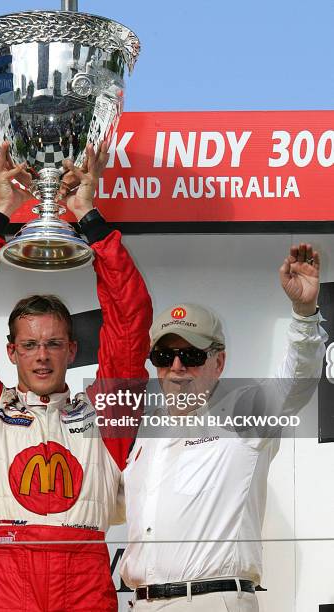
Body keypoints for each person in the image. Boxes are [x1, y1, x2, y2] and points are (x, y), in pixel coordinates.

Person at [0, 139, 152, 612]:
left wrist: (90, 219)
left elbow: (130, 324)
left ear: (73, 350)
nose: (42, 357)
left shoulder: (104, 415)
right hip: (6, 578)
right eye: (30, 345)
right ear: (10, 351)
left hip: (85, 581)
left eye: (54, 343)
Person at [119, 243, 327, 611]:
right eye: (165, 356)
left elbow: (295, 381)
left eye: (193, 355)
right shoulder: (143, 437)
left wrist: (304, 314)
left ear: (220, 362)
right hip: (141, 603)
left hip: (211, 601)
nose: (178, 367)